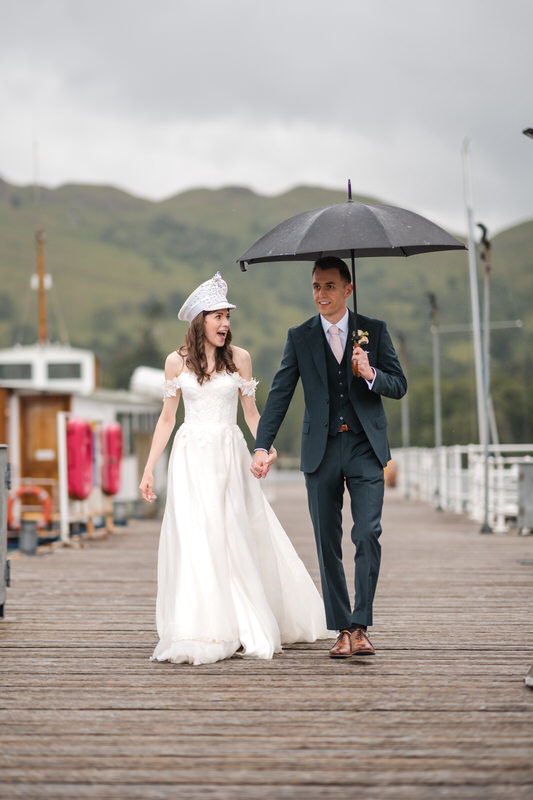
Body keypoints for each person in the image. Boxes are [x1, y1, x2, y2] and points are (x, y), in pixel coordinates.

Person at [139, 272, 329, 666]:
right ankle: (203, 623)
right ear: (199, 321)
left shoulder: (240, 359)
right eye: (217, 316)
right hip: (191, 456)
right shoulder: (176, 362)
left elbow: (252, 414)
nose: (225, 323)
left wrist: (265, 447)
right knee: (197, 536)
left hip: (229, 452)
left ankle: (243, 620)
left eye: (227, 316)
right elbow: (166, 419)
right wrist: (148, 468)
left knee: (234, 533)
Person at [251, 256, 407, 659]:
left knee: (367, 533)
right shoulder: (299, 336)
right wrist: (261, 445)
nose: (322, 294)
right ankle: (340, 627)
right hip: (320, 451)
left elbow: (399, 385)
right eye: (317, 286)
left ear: (348, 289)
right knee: (326, 541)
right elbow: (281, 394)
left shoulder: (373, 331)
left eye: (330, 286)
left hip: (364, 447)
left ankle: (361, 625)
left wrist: (370, 374)